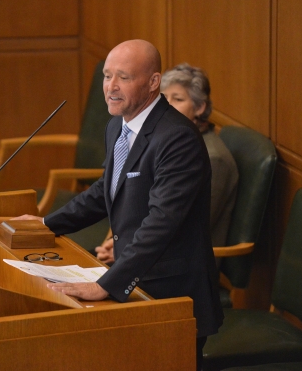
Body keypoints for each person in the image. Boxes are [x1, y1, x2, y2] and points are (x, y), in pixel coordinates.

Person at [13, 40, 223, 370]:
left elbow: (161, 222)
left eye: (123, 77)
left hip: (171, 295)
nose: (111, 87)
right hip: (137, 282)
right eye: (107, 76)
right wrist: (47, 225)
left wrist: (105, 285)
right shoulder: (118, 125)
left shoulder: (177, 138)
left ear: (154, 82)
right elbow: (106, 190)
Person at [160, 63, 239, 264]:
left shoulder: (213, 158)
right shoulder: (172, 141)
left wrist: (129, 251)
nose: (166, 105)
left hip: (184, 264)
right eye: (163, 97)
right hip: (152, 249)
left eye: (177, 99)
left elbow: (189, 226)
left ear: (199, 107)